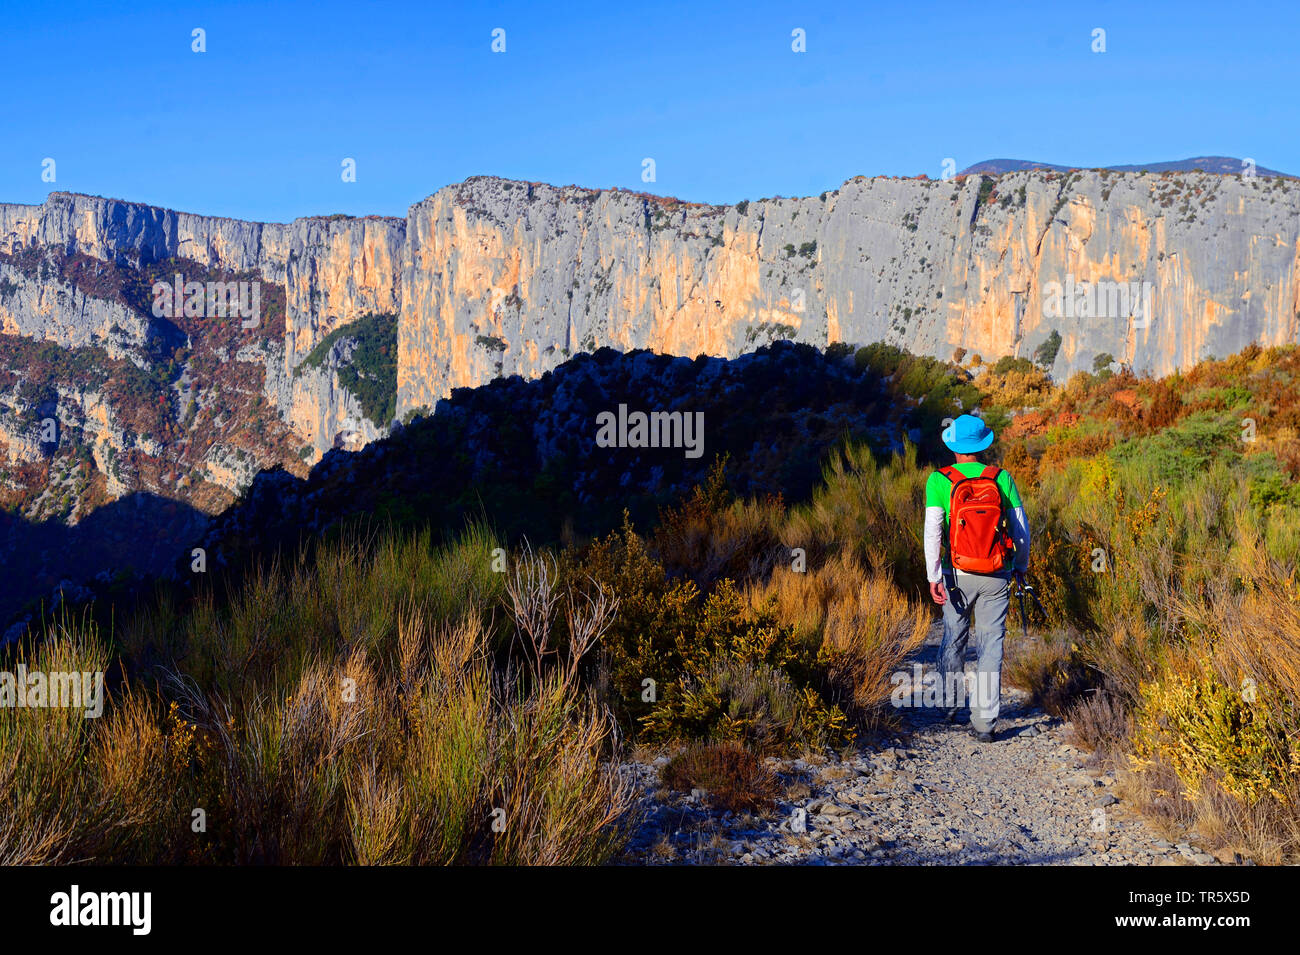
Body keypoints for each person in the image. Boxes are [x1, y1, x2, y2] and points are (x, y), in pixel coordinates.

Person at [923, 414, 1030, 742]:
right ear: (983, 445)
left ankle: (950, 704)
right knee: (991, 644)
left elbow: (933, 531)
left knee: (954, 636)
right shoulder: (1001, 478)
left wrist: (933, 575)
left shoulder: (939, 480)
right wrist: (1020, 566)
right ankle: (984, 722)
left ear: (953, 446)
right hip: (996, 574)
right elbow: (1022, 530)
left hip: (957, 574)